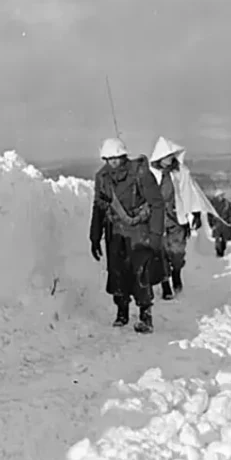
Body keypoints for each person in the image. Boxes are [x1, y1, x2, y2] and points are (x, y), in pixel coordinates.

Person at [89, 137, 166, 333]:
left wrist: (156, 235)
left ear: (123, 156)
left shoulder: (140, 173)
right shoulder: (102, 177)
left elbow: (157, 204)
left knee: (141, 272)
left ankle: (145, 315)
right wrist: (95, 237)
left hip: (139, 230)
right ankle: (122, 311)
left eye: (116, 158)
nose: (113, 162)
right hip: (115, 232)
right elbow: (98, 207)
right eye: (109, 159)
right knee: (117, 273)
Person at [148, 136, 222, 300]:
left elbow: (190, 193)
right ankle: (165, 283)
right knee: (161, 253)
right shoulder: (151, 174)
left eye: (171, 156)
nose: (169, 159)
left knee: (177, 252)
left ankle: (176, 272)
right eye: (166, 156)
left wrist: (194, 212)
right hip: (157, 221)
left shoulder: (181, 172)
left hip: (177, 219)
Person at [207, 189, 231, 257]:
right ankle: (218, 252)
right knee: (218, 239)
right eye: (220, 195)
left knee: (224, 240)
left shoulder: (227, 204)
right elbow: (209, 215)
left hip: (225, 225)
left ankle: (222, 252)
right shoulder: (212, 204)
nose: (222, 197)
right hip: (217, 225)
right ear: (217, 196)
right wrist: (211, 224)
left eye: (222, 195)